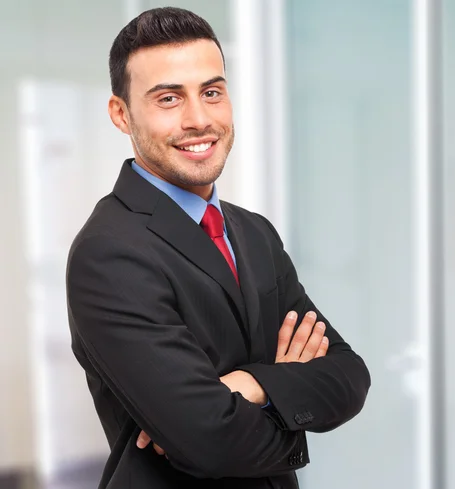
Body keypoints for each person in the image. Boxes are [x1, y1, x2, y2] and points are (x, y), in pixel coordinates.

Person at [66, 6, 371, 489]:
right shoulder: (109, 253)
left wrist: (247, 386)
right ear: (121, 114)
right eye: (169, 98)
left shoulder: (254, 234)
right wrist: (286, 394)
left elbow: (350, 376)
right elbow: (207, 440)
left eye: (212, 92)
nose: (199, 119)